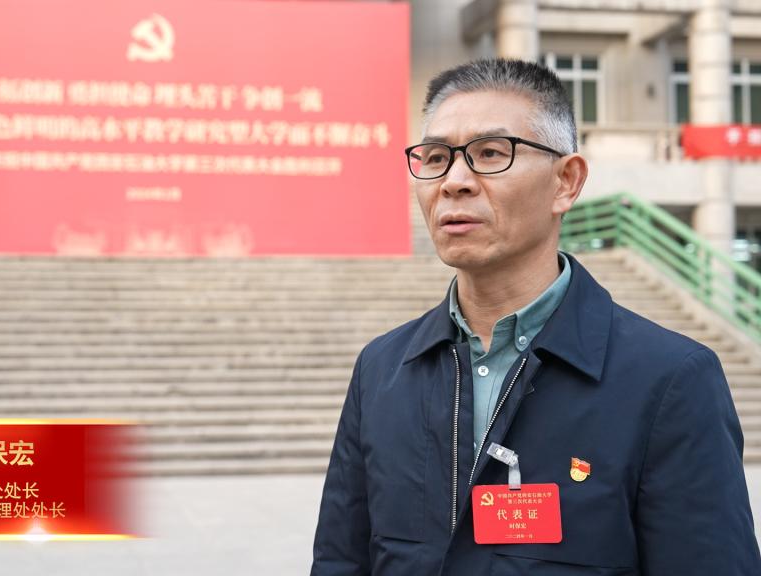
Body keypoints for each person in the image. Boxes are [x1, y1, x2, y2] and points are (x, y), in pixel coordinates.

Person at [310, 58, 761, 575]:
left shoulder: (670, 379)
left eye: (490, 153)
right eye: (435, 157)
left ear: (566, 181)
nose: (454, 181)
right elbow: (340, 561)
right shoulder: (383, 369)